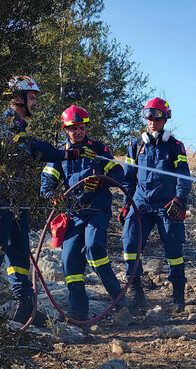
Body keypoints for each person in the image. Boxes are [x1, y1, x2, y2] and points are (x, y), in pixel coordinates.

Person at [0, 76, 89, 327]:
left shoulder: (17, 125)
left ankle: (25, 307)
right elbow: (32, 148)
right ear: (18, 98)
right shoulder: (3, 125)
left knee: (18, 254)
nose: (36, 101)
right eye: (33, 97)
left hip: (16, 201)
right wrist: (66, 153)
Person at [41, 105, 126, 321]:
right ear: (65, 129)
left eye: (81, 127)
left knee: (94, 248)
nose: (77, 132)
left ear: (85, 127)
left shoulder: (98, 148)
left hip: (98, 208)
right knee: (69, 259)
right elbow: (47, 183)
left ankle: (120, 301)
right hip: (74, 213)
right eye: (73, 128)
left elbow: (118, 173)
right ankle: (78, 312)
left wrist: (100, 179)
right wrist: (53, 196)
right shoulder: (60, 154)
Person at [119, 97, 192, 314]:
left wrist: (180, 199)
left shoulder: (175, 146)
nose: (152, 121)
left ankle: (178, 295)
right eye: (148, 116)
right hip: (140, 203)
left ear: (165, 119)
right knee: (130, 243)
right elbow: (128, 177)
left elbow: (183, 176)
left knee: (174, 249)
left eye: (157, 116)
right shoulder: (135, 145)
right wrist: (126, 203)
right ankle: (136, 293)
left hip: (168, 205)